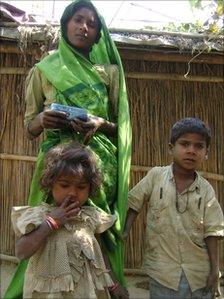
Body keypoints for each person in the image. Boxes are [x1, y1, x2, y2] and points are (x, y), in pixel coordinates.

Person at [4, 1, 131, 298]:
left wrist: (100, 123)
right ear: (66, 24)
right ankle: (44, 288)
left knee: (97, 228)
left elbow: (120, 126)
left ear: (99, 34)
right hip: (55, 166)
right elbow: (29, 126)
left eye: (91, 23)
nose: (83, 27)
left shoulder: (110, 73)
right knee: (48, 222)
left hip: (97, 166)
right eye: (77, 19)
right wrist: (41, 119)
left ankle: (105, 286)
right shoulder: (44, 69)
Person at [11, 142, 128, 298]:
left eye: (81, 187)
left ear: (90, 188)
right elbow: (21, 252)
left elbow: (98, 253)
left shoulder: (90, 217)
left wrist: (114, 285)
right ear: (51, 183)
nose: (72, 193)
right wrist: (51, 223)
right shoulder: (38, 216)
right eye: (64, 185)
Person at [123, 117, 224, 299]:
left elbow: (213, 232)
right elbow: (133, 203)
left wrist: (215, 271)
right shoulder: (155, 176)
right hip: (162, 273)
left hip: (198, 275)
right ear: (171, 148)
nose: (191, 151)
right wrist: (124, 232)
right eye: (185, 144)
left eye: (199, 146)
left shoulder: (206, 190)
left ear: (206, 153)